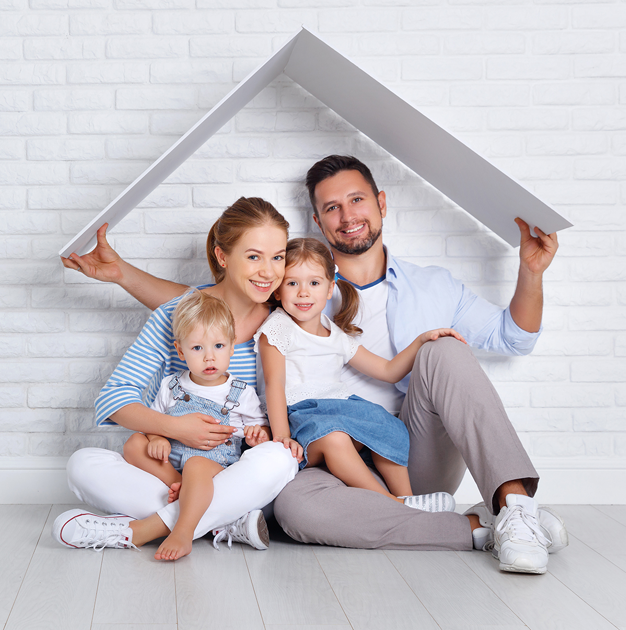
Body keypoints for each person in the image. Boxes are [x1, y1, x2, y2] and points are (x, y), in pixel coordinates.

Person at [58, 158, 567, 575]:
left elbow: (512, 337)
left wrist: (529, 273)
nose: (347, 216)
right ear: (318, 223)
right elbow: (202, 311)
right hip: (293, 461)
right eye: (331, 208)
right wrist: (124, 276)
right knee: (290, 508)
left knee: (436, 354)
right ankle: (475, 530)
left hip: (365, 451)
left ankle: (514, 508)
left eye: (357, 201)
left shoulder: (339, 300)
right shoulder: (248, 305)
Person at [53, 198, 299, 553]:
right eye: (253, 256)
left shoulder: (282, 322)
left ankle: (146, 528)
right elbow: (115, 397)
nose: (269, 271)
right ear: (222, 256)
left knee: (278, 459)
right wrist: (177, 429)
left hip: (238, 473)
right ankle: (222, 520)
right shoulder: (178, 314)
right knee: (83, 464)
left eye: (278, 257)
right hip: (174, 471)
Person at [255, 237, 462, 511]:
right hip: (298, 417)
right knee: (335, 439)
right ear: (278, 291)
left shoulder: (335, 334)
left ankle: (409, 499)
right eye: (293, 283)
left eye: (314, 283)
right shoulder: (278, 327)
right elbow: (274, 384)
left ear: (330, 289)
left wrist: (421, 341)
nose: (303, 292)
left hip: (339, 407)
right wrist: (282, 437)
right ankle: (394, 506)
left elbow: (388, 371)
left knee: (388, 426)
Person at [123, 290, 273, 560]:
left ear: (231, 345)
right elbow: (154, 422)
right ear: (180, 350)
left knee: (197, 465)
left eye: (218, 346)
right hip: (175, 464)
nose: (209, 358)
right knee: (134, 444)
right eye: (197, 348)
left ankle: (183, 530)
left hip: (213, 465)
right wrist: (156, 438)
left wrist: (256, 435)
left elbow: (261, 429)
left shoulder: (241, 392)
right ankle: (183, 488)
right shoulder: (172, 385)